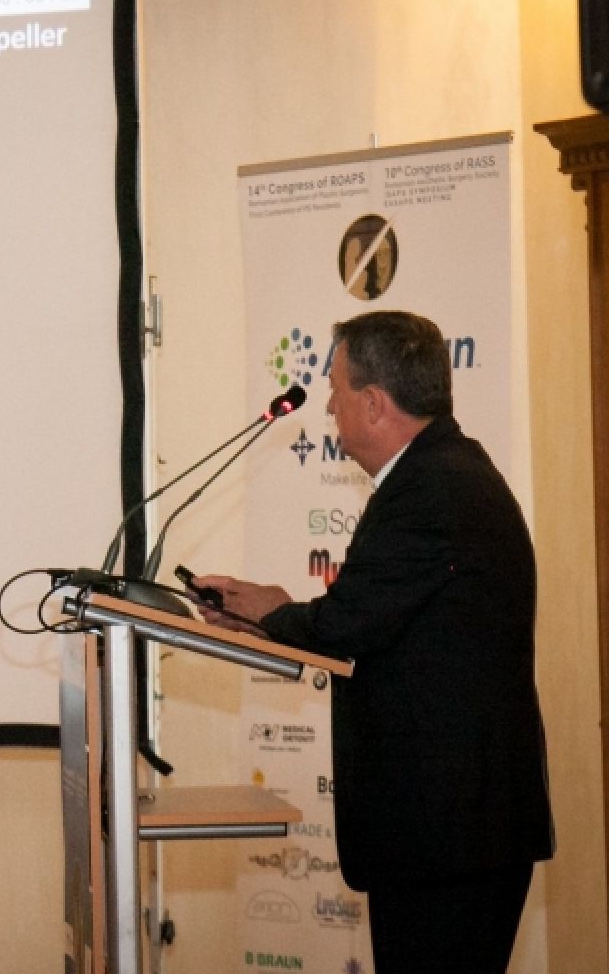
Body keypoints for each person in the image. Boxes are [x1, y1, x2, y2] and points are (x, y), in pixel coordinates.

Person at [195, 311, 553, 974]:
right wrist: (267, 615)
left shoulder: (430, 486)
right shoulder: (442, 471)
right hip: (452, 829)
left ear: (374, 402)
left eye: (335, 390)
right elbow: (374, 617)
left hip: (448, 833)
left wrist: (272, 612)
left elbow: (345, 624)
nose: (329, 407)